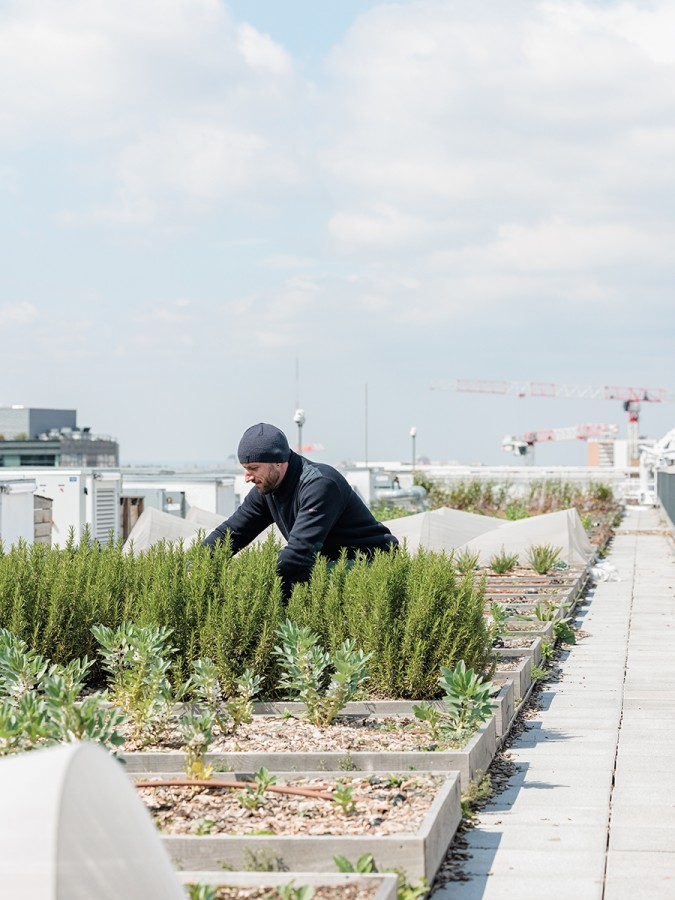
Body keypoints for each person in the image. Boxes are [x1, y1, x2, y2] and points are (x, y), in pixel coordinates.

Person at [203, 422, 399, 600]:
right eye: (245, 468)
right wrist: (196, 565)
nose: (247, 477)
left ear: (278, 462)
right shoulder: (268, 488)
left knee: (286, 586)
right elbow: (232, 532)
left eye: (253, 468)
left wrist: (247, 581)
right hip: (326, 561)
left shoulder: (320, 485)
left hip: (368, 562)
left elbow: (299, 553)